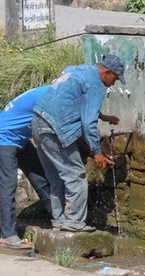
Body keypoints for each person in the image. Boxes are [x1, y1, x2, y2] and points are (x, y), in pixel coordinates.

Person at [31, 54, 126, 233]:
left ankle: (59, 220)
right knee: (76, 175)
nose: (114, 83)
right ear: (107, 72)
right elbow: (88, 123)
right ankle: (74, 222)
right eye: (115, 78)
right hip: (55, 128)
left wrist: (104, 117)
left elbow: (68, 79)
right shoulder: (96, 85)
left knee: (56, 176)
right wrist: (96, 151)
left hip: (38, 122)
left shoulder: (82, 70)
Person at [0, 86, 52, 249]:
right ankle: (7, 235)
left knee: (40, 175)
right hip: (4, 136)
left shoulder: (50, 91)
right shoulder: (49, 97)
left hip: (20, 138)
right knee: (8, 184)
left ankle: (57, 217)